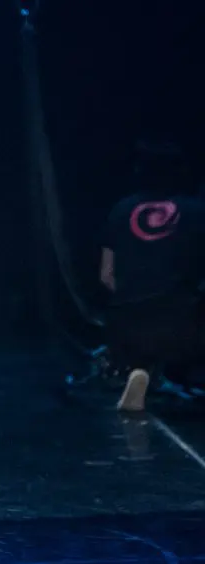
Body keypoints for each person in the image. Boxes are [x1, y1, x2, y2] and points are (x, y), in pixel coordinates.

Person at [99, 140, 205, 411]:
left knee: (143, 339)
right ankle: (171, 372)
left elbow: (106, 277)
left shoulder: (120, 210)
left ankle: (141, 368)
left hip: (127, 327)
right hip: (184, 327)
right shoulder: (197, 212)